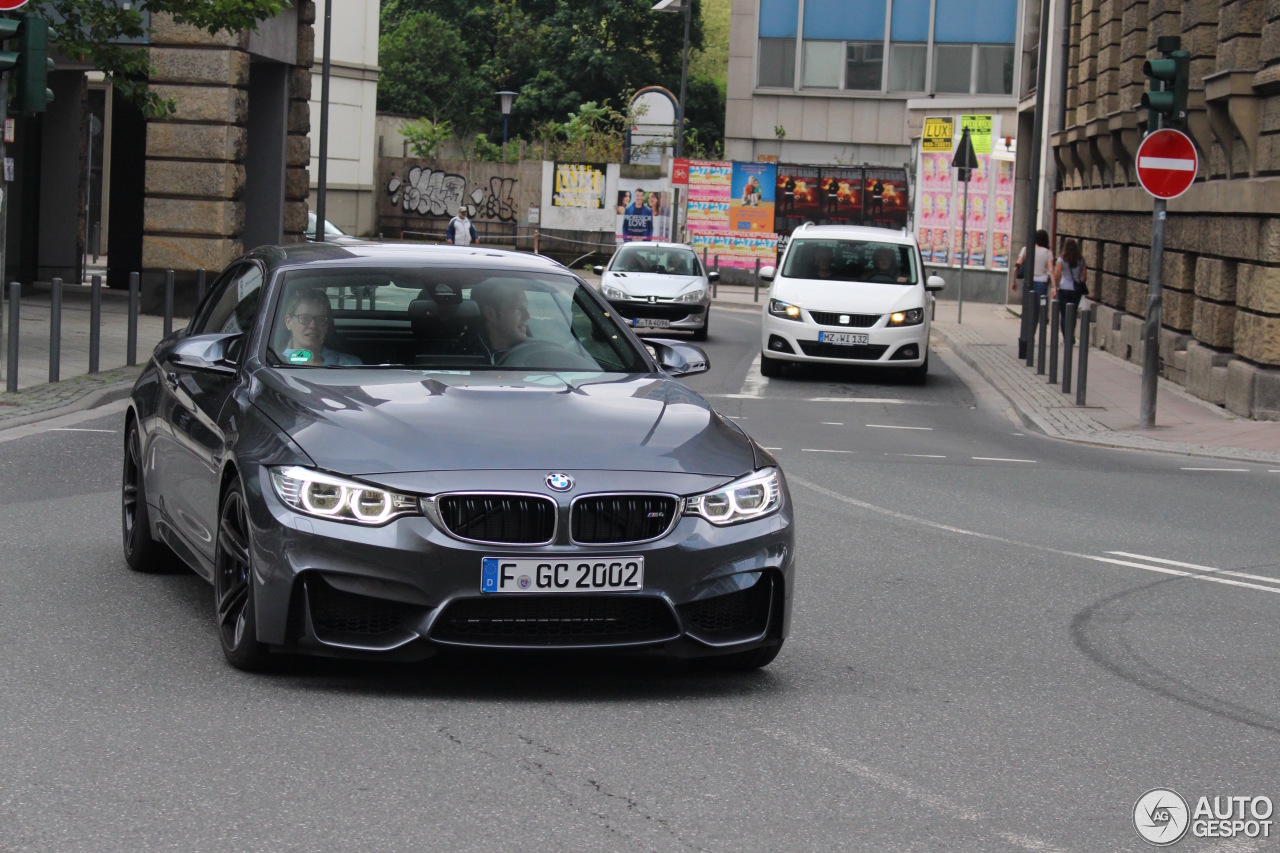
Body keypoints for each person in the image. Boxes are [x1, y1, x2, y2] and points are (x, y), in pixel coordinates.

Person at [280, 289, 360, 366]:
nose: (313, 325)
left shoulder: (349, 364)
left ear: (327, 325)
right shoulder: (276, 361)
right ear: (288, 322)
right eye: (304, 318)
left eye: (320, 319)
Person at [471, 280, 531, 362]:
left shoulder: (533, 352)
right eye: (518, 309)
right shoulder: (460, 356)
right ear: (490, 314)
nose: (528, 316)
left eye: (526, 308)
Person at [1052, 238, 1088, 341]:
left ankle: (1065, 337)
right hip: (1076, 291)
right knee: (1073, 313)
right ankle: (1071, 334)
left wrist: (1056, 287)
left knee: (1063, 314)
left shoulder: (1061, 259)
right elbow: (1083, 277)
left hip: (1064, 289)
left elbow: (1057, 275)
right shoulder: (1081, 260)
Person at [1014, 229, 1054, 302]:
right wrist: (1054, 287)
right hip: (1042, 284)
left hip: (1027, 283)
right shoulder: (1048, 252)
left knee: (1027, 308)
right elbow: (1051, 271)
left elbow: (1016, 267)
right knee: (1040, 307)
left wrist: (1014, 282)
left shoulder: (1025, 249)